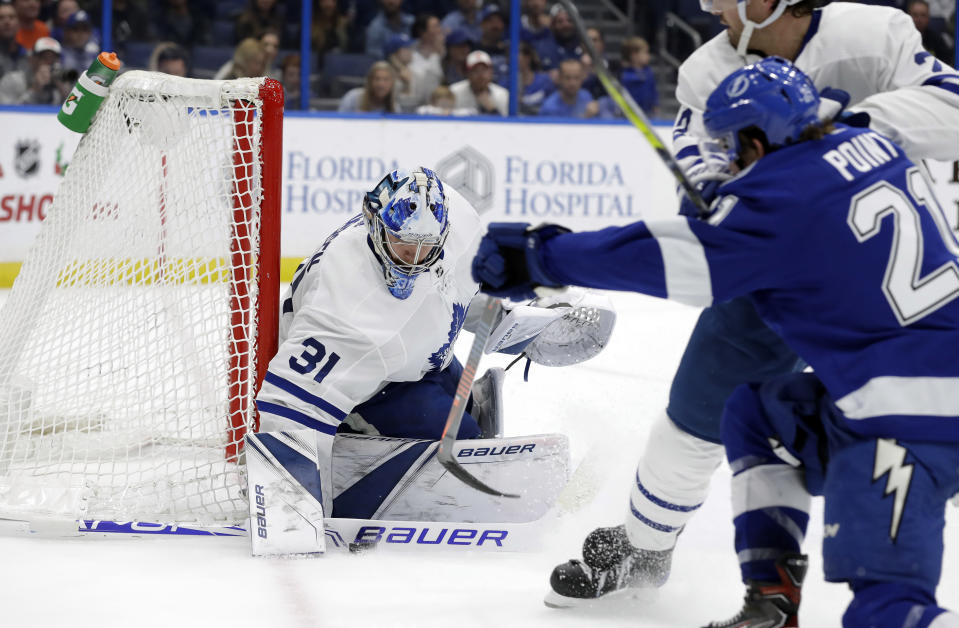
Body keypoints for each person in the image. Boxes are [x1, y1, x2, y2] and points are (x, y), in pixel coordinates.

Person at [472, 56, 959, 628]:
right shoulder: (867, 139)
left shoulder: (780, 206)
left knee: (888, 607)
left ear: (756, 140)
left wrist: (540, 256)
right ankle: (771, 602)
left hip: (906, 418)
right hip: (912, 383)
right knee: (755, 413)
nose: (727, 157)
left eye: (733, 147)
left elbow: (671, 258)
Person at [0, 34, 59, 104]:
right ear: (31, 59)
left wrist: (62, 89)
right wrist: (34, 90)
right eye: (44, 58)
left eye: (52, 59)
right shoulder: (12, 80)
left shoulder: (57, 81)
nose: (48, 64)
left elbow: (69, 112)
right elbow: (7, 112)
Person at [450, 49, 508, 115]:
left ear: (491, 72)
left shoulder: (502, 95)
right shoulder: (454, 92)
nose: (481, 75)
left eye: (484, 70)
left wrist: (492, 110)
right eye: (475, 70)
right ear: (467, 73)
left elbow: (508, 124)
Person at [618, 36, 658, 117]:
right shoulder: (625, 75)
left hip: (648, 113)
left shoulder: (649, 72)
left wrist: (655, 105)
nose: (648, 56)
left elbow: (653, 92)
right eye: (645, 52)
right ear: (634, 55)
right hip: (630, 115)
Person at [0, 1, 28, 80]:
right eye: (1, 18)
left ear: (19, 24)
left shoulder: (27, 56)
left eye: (11, 17)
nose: (7, 22)